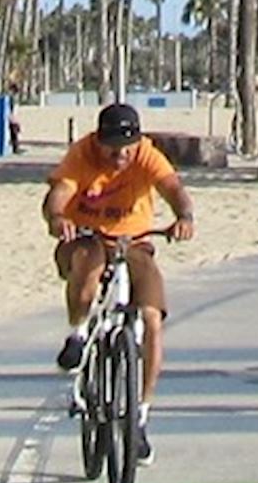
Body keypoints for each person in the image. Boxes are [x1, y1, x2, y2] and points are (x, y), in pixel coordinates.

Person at [45, 99, 198, 464]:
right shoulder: (81, 154)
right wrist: (57, 219)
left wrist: (184, 216)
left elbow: (173, 187)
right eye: (113, 147)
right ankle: (79, 334)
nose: (121, 154)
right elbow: (59, 195)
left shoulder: (146, 154)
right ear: (99, 141)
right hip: (87, 236)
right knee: (89, 268)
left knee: (151, 319)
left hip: (136, 241)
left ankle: (140, 417)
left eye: (127, 146)